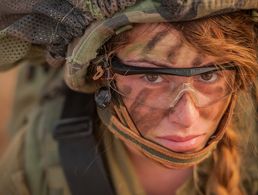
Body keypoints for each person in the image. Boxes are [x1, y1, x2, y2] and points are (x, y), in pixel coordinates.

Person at [0, 1, 257, 195]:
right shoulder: (37, 163)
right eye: (152, 77)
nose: (186, 117)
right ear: (102, 74)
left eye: (209, 76)